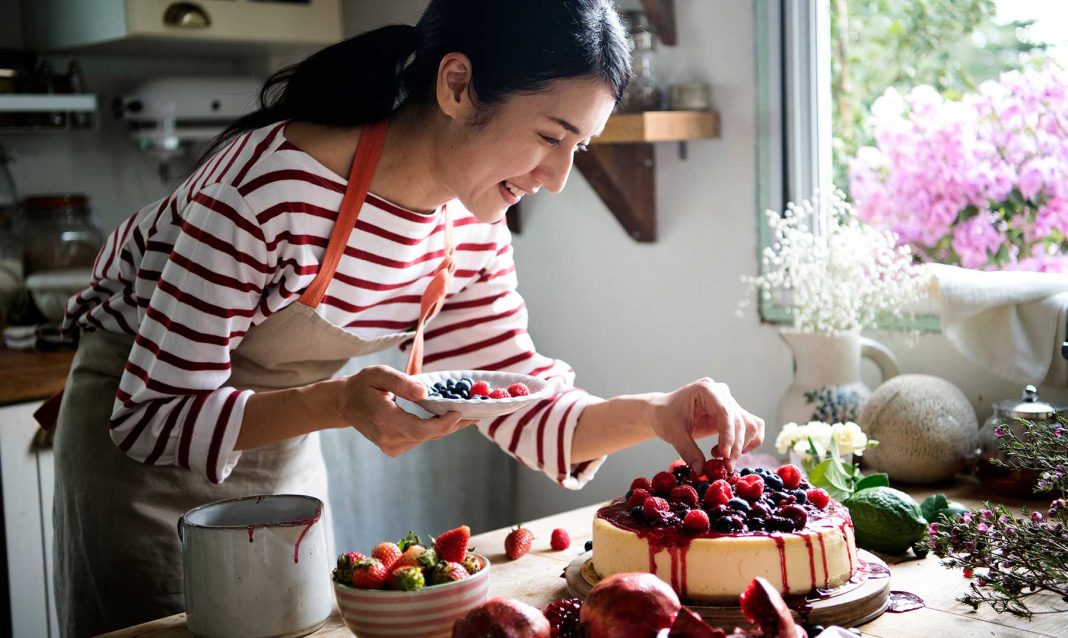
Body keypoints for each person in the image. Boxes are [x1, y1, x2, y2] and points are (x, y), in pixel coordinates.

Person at [48, 0, 765, 635]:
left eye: (579, 148)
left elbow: (519, 402)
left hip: (284, 445)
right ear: (456, 85)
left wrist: (657, 412)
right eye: (550, 137)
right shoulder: (268, 189)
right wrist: (334, 401)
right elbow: (152, 416)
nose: (557, 179)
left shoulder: (472, 225)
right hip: (143, 457)